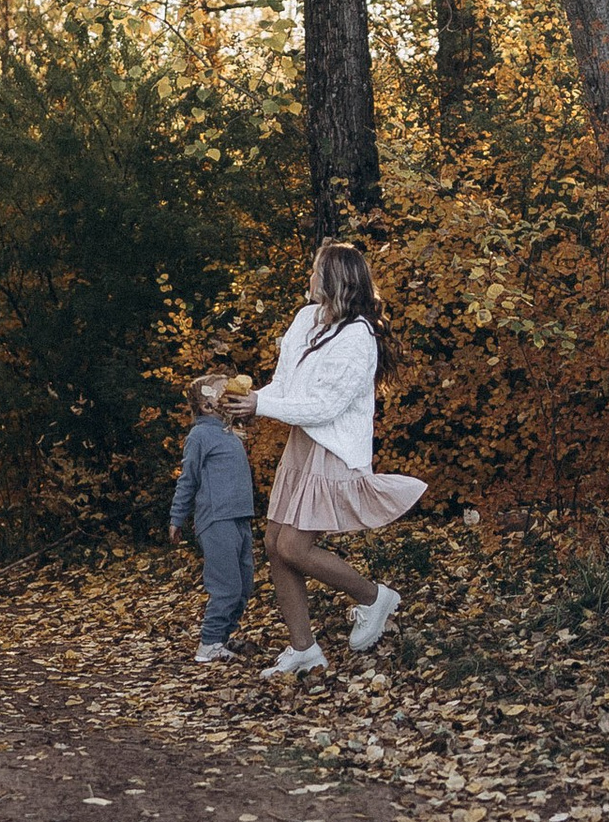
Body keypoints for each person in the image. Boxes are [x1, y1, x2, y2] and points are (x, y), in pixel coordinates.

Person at [248, 239, 425, 679]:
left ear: (335, 280)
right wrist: (250, 401)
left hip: (333, 448)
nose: (309, 277)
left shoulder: (358, 337)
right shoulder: (305, 319)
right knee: (274, 545)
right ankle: (304, 649)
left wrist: (259, 406)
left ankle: (374, 597)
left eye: (316, 271)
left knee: (293, 546)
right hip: (303, 443)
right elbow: (285, 386)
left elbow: (325, 405)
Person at [169, 373, 258, 664]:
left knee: (244, 585)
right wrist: (177, 518)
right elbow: (188, 479)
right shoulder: (200, 435)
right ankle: (208, 644)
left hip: (239, 518)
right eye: (222, 393)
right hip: (217, 519)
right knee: (226, 586)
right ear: (207, 406)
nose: (229, 394)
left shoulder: (229, 432)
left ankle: (221, 637)